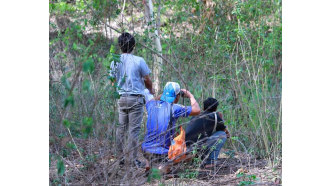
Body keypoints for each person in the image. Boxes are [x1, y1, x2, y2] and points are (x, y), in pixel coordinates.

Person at [109, 32, 154, 167]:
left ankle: (120, 158)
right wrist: (151, 91)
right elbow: (147, 80)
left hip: (121, 98)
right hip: (135, 99)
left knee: (121, 129)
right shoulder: (139, 60)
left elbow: (112, 80)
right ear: (133, 45)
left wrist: (118, 89)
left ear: (120, 46)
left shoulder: (115, 61)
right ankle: (133, 160)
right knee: (133, 130)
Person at [141, 82, 201, 165]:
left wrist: (165, 94)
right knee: (188, 155)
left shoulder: (151, 105)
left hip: (145, 150)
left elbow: (153, 100)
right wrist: (190, 95)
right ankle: (163, 168)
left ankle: (151, 164)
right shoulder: (175, 108)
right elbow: (197, 110)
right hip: (162, 153)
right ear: (177, 97)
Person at [185, 97, 230, 168]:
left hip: (187, 150)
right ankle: (211, 162)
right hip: (199, 150)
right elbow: (226, 133)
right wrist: (221, 119)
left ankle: (193, 160)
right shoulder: (215, 116)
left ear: (203, 107)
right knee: (222, 134)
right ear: (215, 108)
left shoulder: (196, 115)